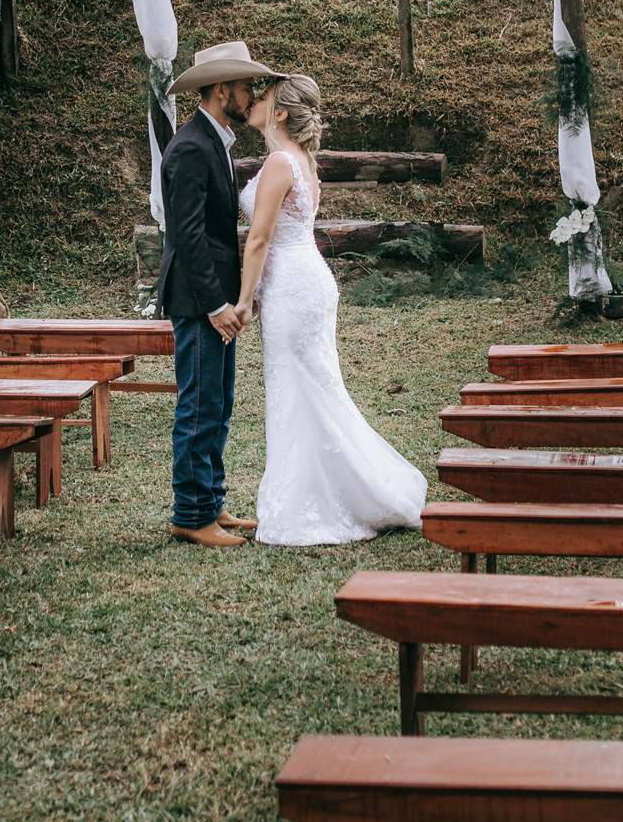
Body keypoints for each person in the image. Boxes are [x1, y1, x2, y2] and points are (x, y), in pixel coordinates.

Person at [236, 74, 427, 545]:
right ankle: (345, 489)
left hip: (292, 287)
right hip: (306, 280)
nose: (253, 100)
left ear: (281, 112)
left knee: (299, 389)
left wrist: (244, 298)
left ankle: (316, 503)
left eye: (263, 96)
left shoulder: (280, 162)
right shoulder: (303, 162)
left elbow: (259, 239)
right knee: (314, 388)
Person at [158, 41, 284, 548]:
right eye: (246, 86)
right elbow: (188, 236)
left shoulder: (215, 141)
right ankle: (190, 515)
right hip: (198, 302)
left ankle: (210, 503)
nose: (251, 94)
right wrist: (215, 305)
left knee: (220, 401)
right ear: (220, 89)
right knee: (199, 404)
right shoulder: (191, 147)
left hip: (215, 299)